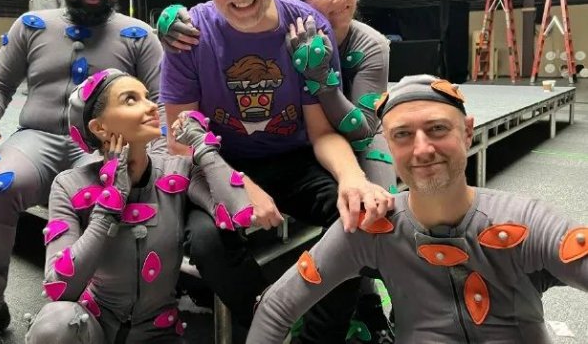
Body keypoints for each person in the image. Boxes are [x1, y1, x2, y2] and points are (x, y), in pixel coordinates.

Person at [158, 0, 393, 343]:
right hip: (216, 161)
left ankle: (318, 337)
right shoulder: (189, 37)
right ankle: (269, 321)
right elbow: (180, 137)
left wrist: (352, 179)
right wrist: (236, 183)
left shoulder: (307, 27)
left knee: (356, 215)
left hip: (293, 158)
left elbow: (321, 132)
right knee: (207, 242)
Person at [248, 74, 588, 343]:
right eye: (403, 135)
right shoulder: (374, 228)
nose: (422, 149)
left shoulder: (524, 221)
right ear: (388, 146)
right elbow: (276, 307)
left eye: (437, 129)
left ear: (467, 132)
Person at [0, 0, 163, 344]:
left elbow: (163, 100)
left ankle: (109, 307)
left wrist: (154, 157)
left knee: (118, 197)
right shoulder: (31, 25)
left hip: (106, 147)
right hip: (38, 139)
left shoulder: (138, 35)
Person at [25, 69, 252, 343]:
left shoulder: (177, 170)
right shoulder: (70, 185)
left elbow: (239, 213)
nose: (152, 106)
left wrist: (202, 147)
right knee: (54, 326)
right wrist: (110, 203)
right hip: (94, 327)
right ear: (99, 128)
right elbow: (59, 288)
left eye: (147, 97)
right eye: (130, 99)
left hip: (159, 332)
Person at [287, 0, 395, 341]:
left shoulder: (372, 44)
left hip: (364, 140)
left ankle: (380, 306)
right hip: (308, 143)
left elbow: (363, 129)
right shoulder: (286, 38)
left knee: (376, 217)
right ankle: (345, 303)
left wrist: (323, 81)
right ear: (300, 2)